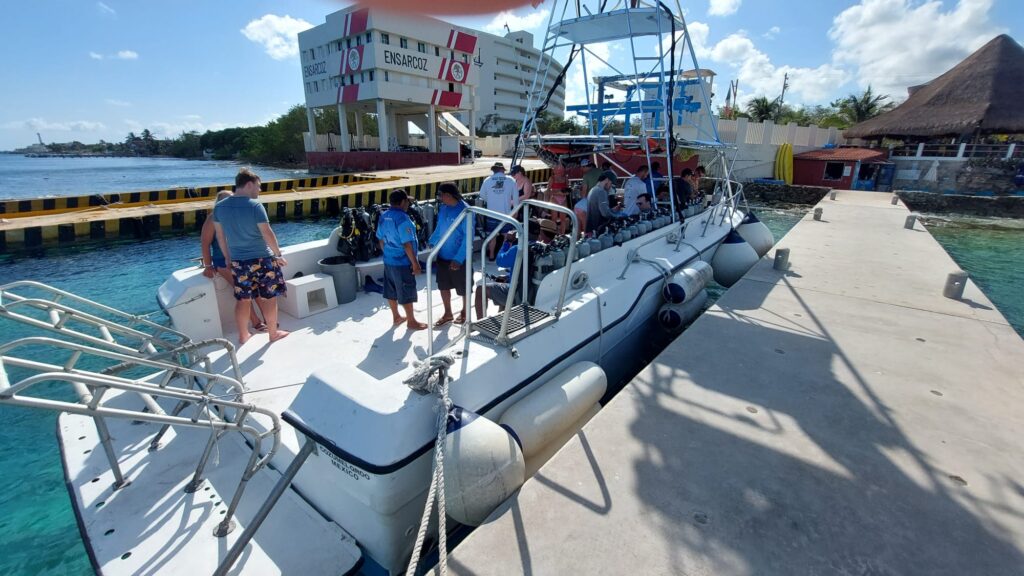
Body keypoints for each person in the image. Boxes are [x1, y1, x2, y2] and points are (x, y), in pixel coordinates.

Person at [213, 168, 289, 345]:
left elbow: (220, 236)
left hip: (238, 261)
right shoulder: (255, 206)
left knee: (243, 299)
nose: (259, 190)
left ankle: (243, 335)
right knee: (269, 298)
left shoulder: (219, 208)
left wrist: (227, 258)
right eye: (258, 186)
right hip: (263, 259)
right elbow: (267, 233)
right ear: (248, 184)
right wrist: (278, 254)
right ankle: (273, 334)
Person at [201, 190, 264, 332]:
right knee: (244, 291)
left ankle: (268, 318)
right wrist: (208, 266)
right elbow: (205, 243)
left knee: (256, 288)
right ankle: (256, 322)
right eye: (226, 200)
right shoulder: (212, 219)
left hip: (242, 258)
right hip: (223, 262)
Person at [473, 220, 556, 320]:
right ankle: (503, 319)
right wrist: (508, 278)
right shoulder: (541, 249)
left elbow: (499, 260)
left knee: (480, 290)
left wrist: (507, 242)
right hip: (531, 292)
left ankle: (480, 322)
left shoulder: (517, 249)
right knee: (501, 283)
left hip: (516, 294)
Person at [376, 189, 426, 330]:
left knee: (390, 290)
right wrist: (415, 264)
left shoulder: (383, 216)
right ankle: (411, 321)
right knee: (406, 291)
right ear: (403, 202)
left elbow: (380, 239)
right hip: (402, 263)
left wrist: (387, 254)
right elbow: (407, 244)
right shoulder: (403, 219)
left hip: (388, 261)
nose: (408, 204)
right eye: (407, 201)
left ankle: (396, 317)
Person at [428, 182, 469, 327]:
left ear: (448, 195)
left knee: (464, 288)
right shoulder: (444, 209)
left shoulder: (466, 211)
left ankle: (465, 312)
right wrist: (432, 241)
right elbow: (440, 229)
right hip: (443, 256)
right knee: (443, 286)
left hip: (460, 259)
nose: (439, 198)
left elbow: (468, 237)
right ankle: (448, 313)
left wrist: (459, 258)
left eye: (440, 195)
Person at [478, 162, 519, 260]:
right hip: (506, 214)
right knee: (506, 236)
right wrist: (515, 211)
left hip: (491, 213)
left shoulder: (487, 180)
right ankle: (504, 257)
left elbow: (482, 195)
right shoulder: (511, 180)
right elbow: (516, 198)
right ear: (502, 170)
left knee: (492, 236)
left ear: (494, 170)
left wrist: (491, 200)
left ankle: (491, 256)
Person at [545, 161, 569, 234]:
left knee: (563, 219)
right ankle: (553, 234)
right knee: (554, 218)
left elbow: (567, 189)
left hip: (563, 199)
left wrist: (566, 192)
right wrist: (557, 193)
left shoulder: (565, 178)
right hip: (554, 198)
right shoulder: (552, 178)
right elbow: (547, 191)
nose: (560, 171)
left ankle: (562, 234)